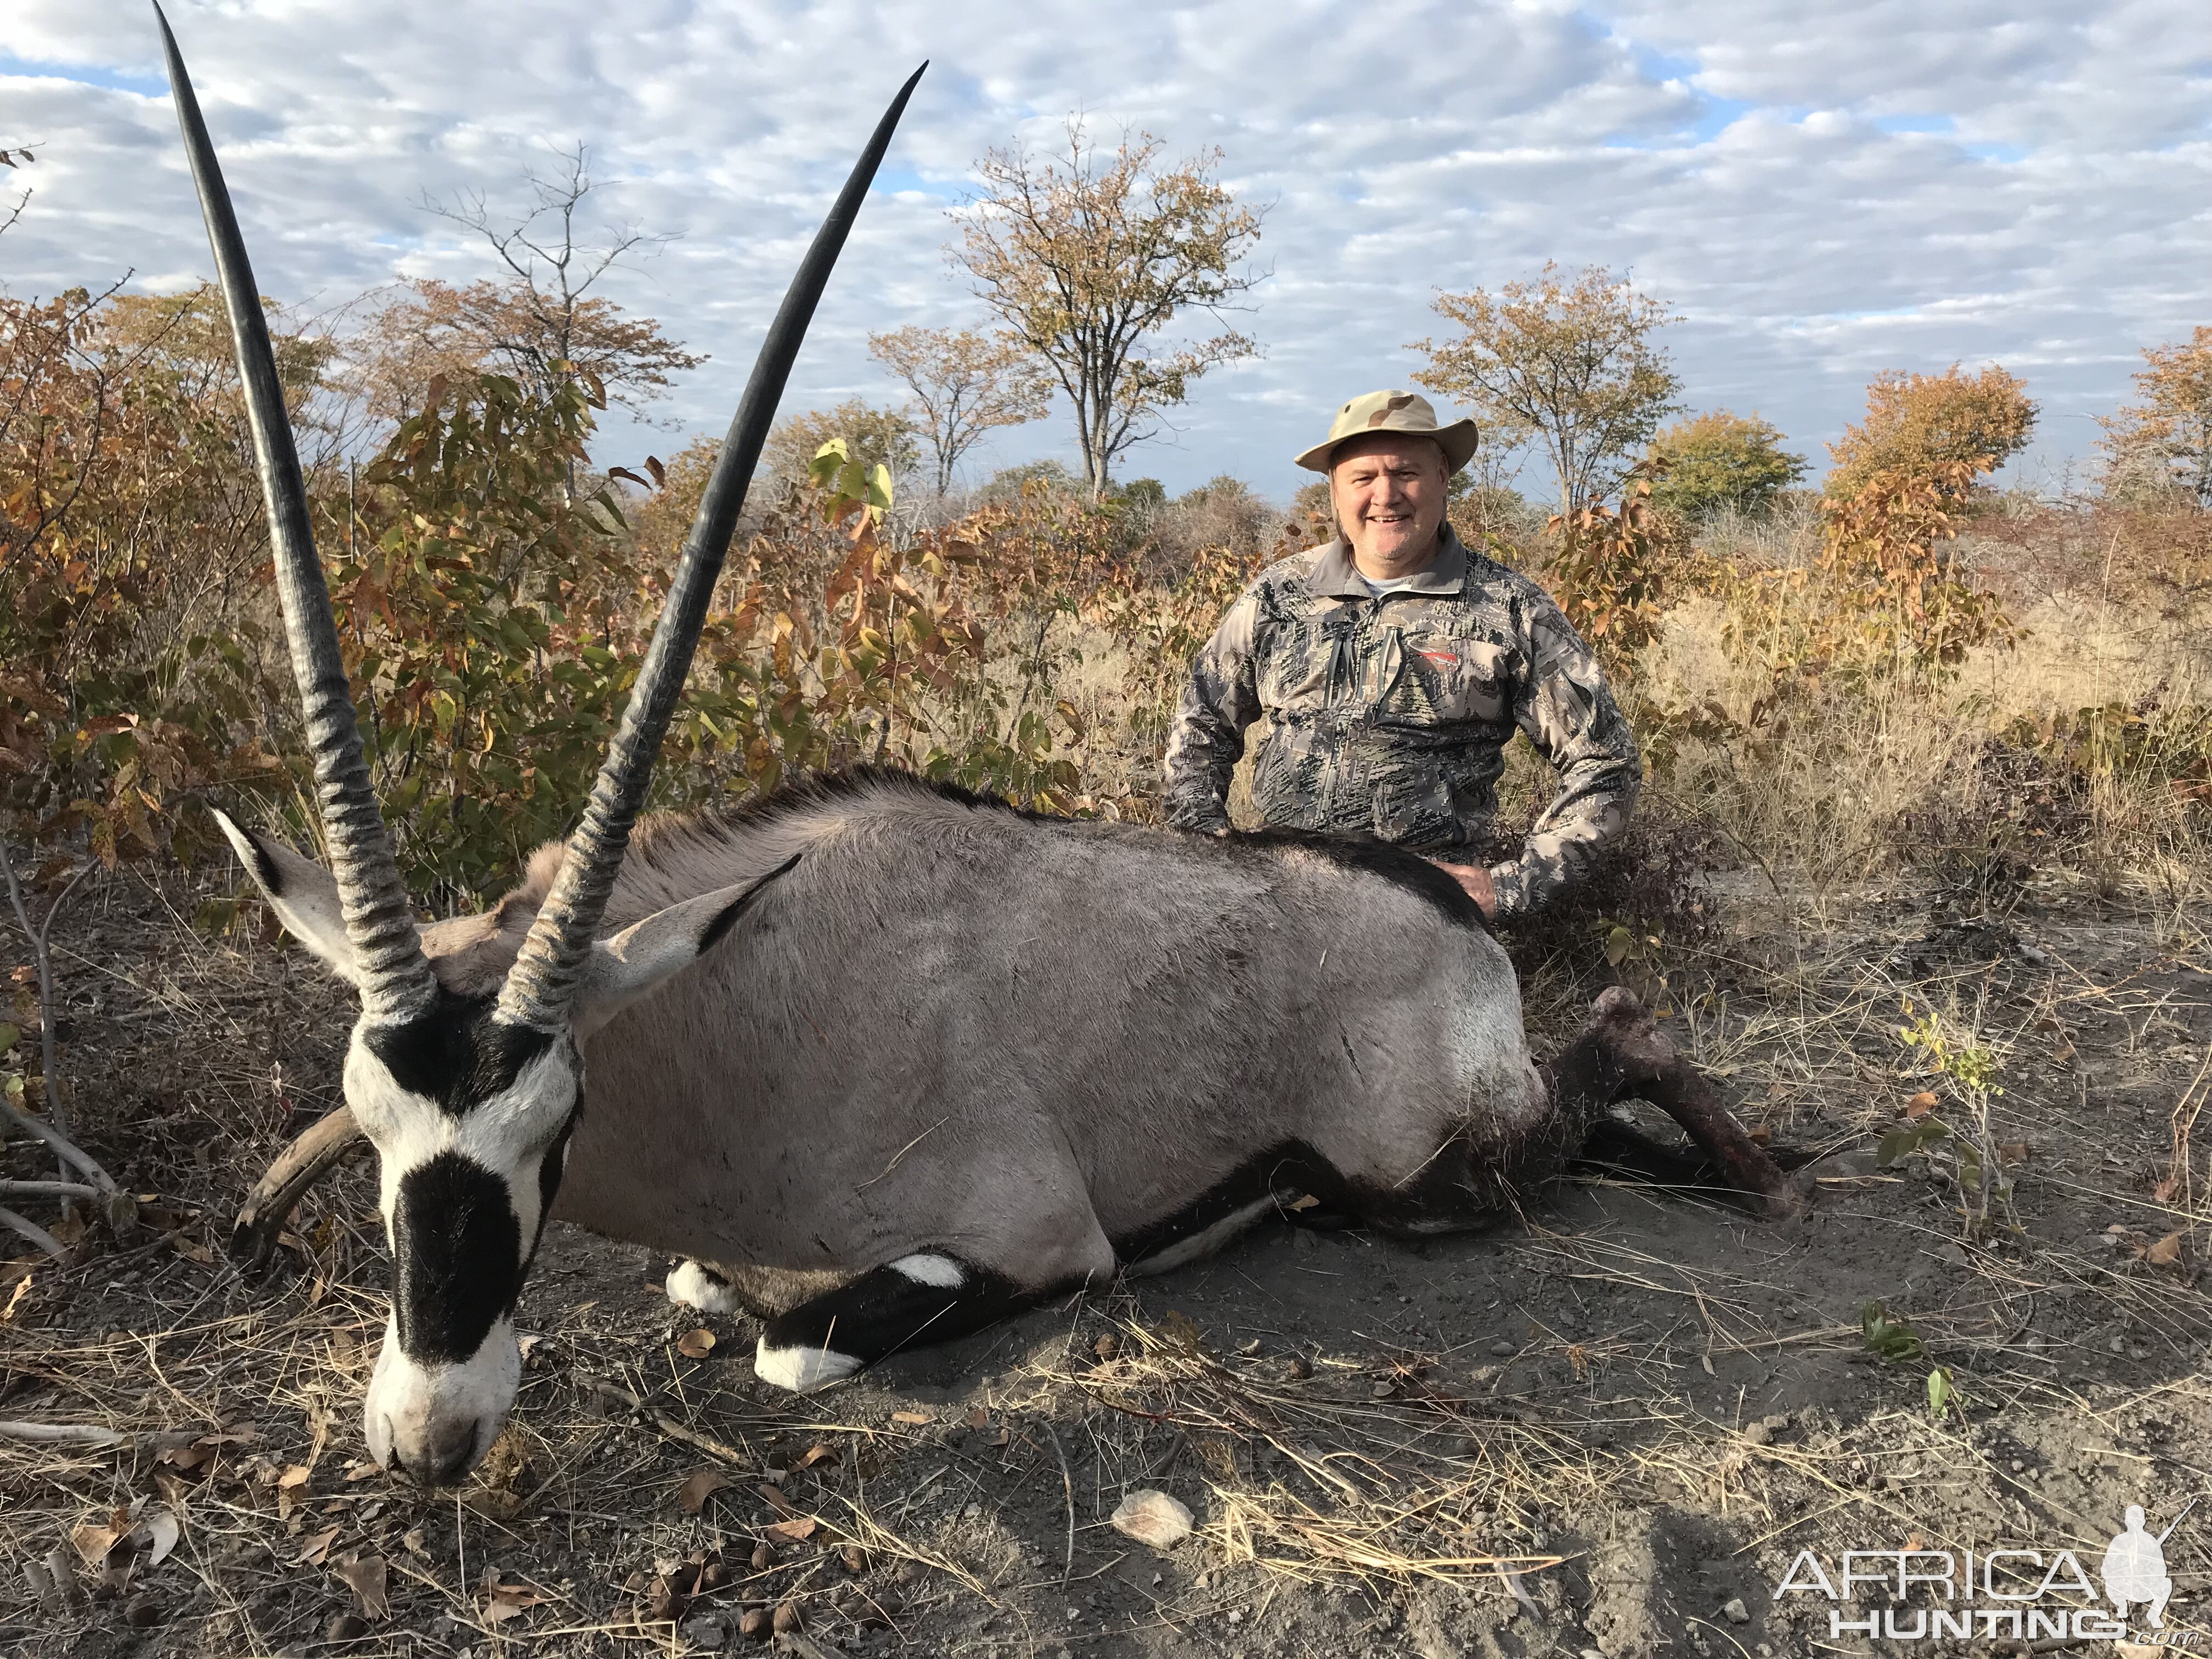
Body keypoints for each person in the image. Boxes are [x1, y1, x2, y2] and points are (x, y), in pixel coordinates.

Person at [1161, 388, 1639, 919]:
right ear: (1335, 491)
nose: (1386, 496)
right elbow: (1200, 722)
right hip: (1279, 905)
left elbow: (1606, 763)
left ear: (1443, 478)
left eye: (1406, 473)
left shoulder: (1510, 610)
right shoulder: (1278, 596)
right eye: (1363, 478)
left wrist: (1510, 887)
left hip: (1422, 921)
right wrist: (1206, 859)